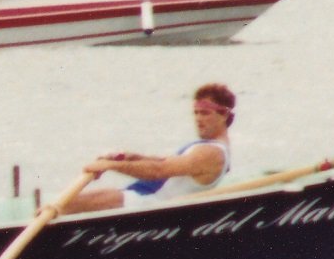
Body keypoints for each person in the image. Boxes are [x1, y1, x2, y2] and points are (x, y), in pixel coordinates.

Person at [59, 84, 237, 214]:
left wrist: (110, 166)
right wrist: (133, 157)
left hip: (148, 204)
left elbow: (159, 170)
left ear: (224, 115)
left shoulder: (212, 153)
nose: (198, 119)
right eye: (196, 113)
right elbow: (164, 163)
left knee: (70, 205)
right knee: (66, 204)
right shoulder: (207, 148)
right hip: (139, 197)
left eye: (205, 113)